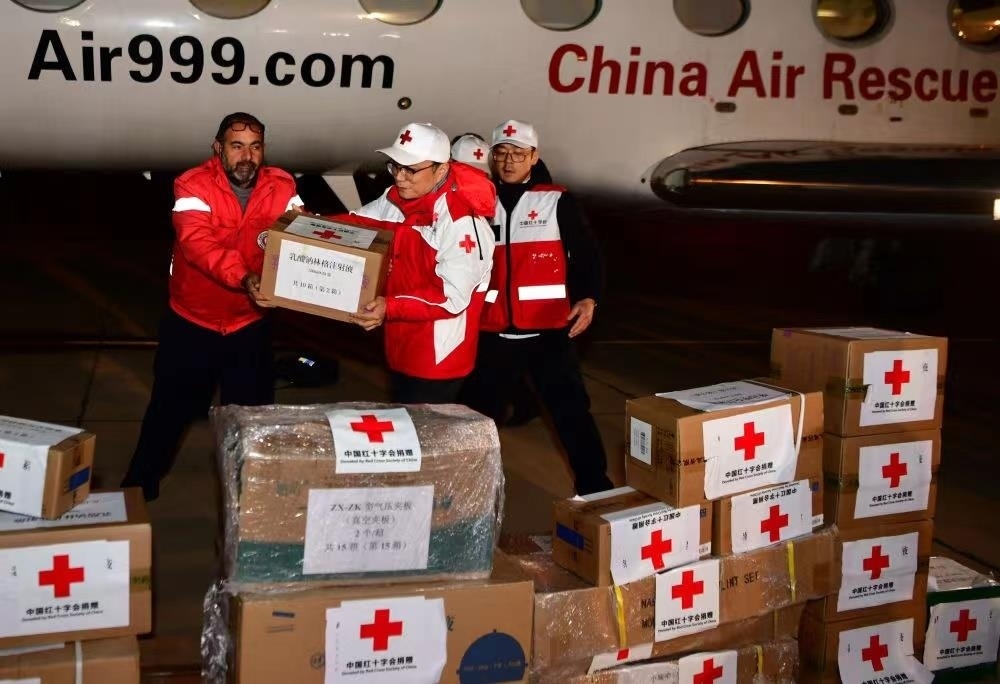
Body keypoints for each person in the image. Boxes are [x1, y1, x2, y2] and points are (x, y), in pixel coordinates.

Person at [120, 112, 303, 501]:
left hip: (249, 324)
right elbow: (198, 244)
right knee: (168, 410)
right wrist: (245, 278)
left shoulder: (283, 186)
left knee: (252, 418)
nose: (247, 157)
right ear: (218, 148)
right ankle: (137, 489)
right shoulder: (192, 185)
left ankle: (253, 496)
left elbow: (302, 234)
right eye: (237, 146)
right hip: (192, 323)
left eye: (255, 147)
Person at [464, 119, 613, 495]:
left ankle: (596, 490)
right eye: (501, 153)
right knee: (476, 419)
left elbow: (588, 255)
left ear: (534, 157)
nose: (509, 161)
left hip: (548, 331)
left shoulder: (556, 200)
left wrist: (589, 297)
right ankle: (463, 493)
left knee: (571, 414)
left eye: (518, 153)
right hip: (494, 333)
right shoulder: (481, 202)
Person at [347, 123, 496, 404]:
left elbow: (452, 297)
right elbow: (355, 225)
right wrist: (306, 224)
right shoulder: (394, 198)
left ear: (441, 170)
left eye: (410, 170)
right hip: (399, 346)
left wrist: (390, 307)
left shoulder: (462, 222)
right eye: (395, 166)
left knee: (422, 430)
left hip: (437, 358)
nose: (399, 177)